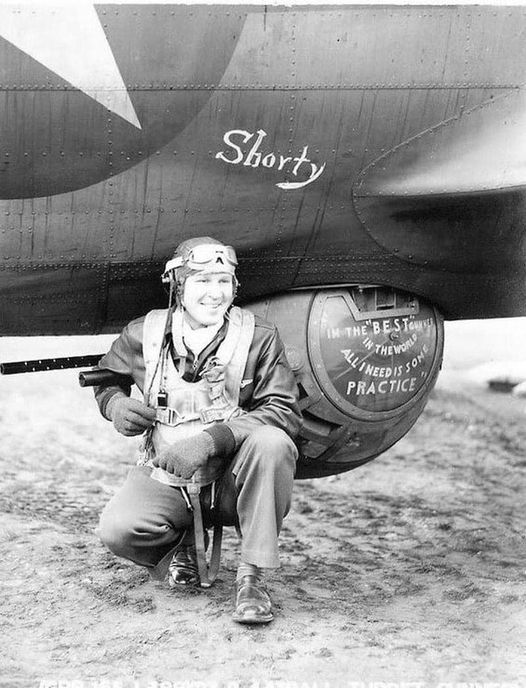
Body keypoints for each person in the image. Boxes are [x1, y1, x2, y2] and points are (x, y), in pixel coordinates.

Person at [95, 236, 301, 624]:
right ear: (178, 286)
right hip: (169, 475)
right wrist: (115, 404)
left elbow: (284, 411)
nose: (215, 293)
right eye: (202, 281)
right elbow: (107, 378)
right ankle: (182, 545)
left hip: (233, 481)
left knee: (272, 444)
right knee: (118, 530)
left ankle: (252, 577)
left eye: (224, 282)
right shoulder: (145, 333)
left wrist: (212, 440)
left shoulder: (259, 336)